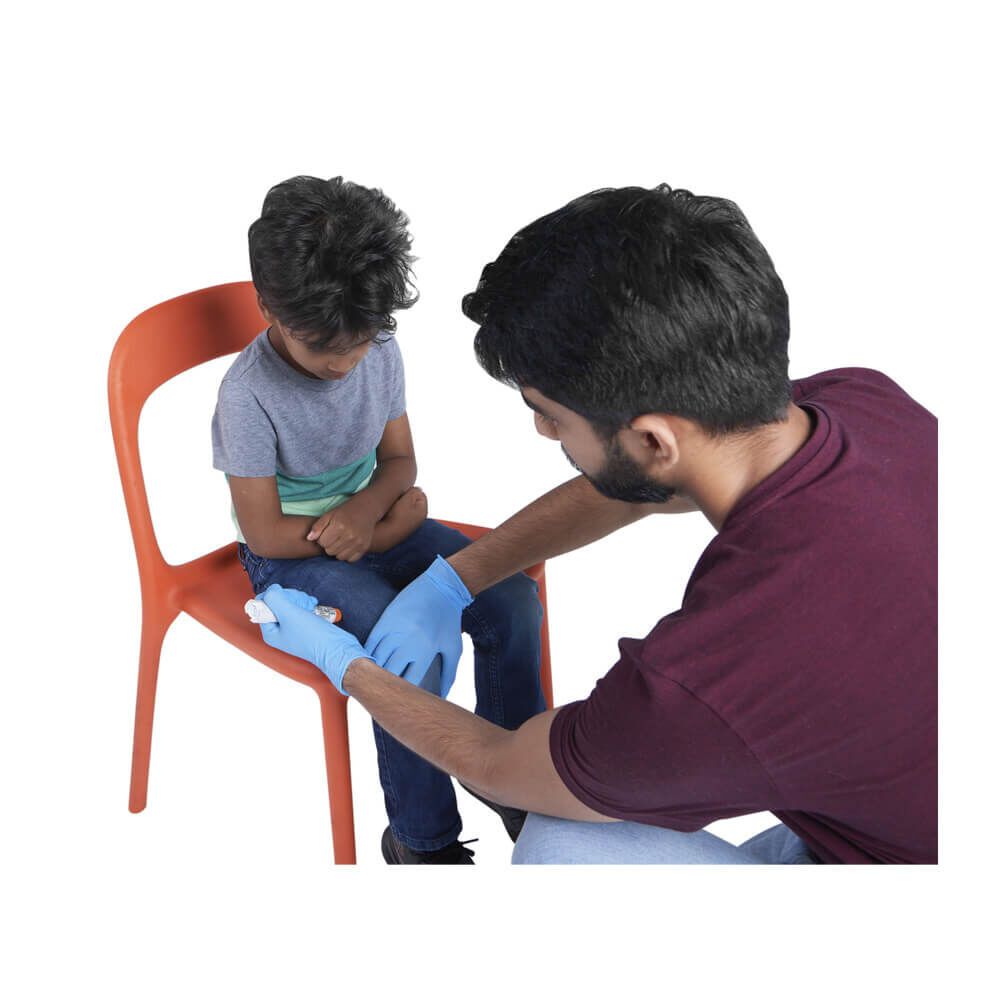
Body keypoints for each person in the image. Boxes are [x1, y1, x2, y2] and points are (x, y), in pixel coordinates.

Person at [255, 184, 937, 864]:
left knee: (561, 841)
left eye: (551, 414)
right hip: (900, 814)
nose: (541, 428)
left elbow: (497, 759)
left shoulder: (700, 685)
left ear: (652, 440)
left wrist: (347, 666)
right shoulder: (865, 404)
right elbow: (636, 487)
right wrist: (453, 581)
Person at [211, 176, 546, 865]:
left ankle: (510, 772)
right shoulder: (248, 396)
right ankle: (423, 841)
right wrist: (381, 524)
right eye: (324, 350)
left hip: (375, 522)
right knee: (402, 655)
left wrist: (374, 514)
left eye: (360, 344)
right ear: (269, 307)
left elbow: (400, 463)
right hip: (290, 558)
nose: (345, 364)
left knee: (512, 598)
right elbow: (265, 533)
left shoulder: (378, 347)